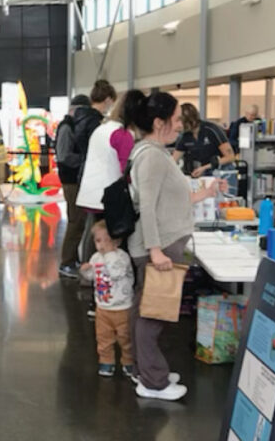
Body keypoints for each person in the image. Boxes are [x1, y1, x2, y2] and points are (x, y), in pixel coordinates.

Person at [128, 91, 220, 401]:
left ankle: (149, 372)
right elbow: (150, 207)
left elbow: (166, 199)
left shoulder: (155, 152)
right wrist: (155, 250)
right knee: (152, 315)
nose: (180, 125)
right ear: (159, 122)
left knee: (149, 311)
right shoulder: (152, 156)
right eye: (176, 119)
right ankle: (153, 381)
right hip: (159, 247)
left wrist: (202, 197)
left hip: (163, 244)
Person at [76, 90, 142, 263]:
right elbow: (127, 170)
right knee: (110, 246)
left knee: (95, 239)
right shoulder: (122, 134)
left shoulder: (103, 128)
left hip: (93, 194)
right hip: (110, 199)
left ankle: (91, 275)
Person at [79, 220, 135, 379]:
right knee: (103, 338)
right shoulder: (96, 257)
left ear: (117, 241)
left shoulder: (121, 257)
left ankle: (128, 361)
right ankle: (106, 361)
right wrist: (86, 272)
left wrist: (110, 254)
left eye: (108, 240)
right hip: (102, 307)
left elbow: (116, 273)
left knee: (126, 337)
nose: (103, 245)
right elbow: (93, 278)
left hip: (122, 307)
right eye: (98, 241)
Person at [56, 94, 91, 278]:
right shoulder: (67, 127)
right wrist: (86, 159)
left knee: (79, 222)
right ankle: (66, 262)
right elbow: (64, 156)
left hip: (76, 180)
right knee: (75, 221)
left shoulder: (74, 126)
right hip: (71, 181)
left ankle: (72, 259)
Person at [172, 103, 236, 178]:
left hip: (224, 171)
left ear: (191, 120)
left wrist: (205, 167)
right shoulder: (185, 136)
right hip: (206, 172)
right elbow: (173, 161)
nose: (180, 125)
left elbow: (230, 157)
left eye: (182, 122)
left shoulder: (211, 130)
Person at [73, 80, 117, 178]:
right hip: (95, 172)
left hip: (84, 170)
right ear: (108, 100)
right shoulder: (95, 122)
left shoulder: (81, 117)